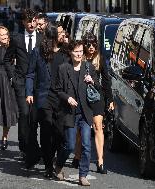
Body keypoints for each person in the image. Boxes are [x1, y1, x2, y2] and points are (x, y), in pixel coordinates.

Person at [26, 24, 69, 178]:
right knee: (45, 131)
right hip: (44, 97)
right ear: (52, 37)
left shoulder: (66, 53)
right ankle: (48, 166)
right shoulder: (38, 53)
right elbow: (30, 73)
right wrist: (29, 92)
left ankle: (54, 158)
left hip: (61, 98)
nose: (63, 34)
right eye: (61, 33)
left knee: (59, 132)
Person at [54, 40, 100, 186]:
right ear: (70, 53)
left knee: (86, 145)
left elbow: (98, 87)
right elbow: (57, 90)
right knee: (69, 145)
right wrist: (67, 98)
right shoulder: (63, 68)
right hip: (69, 113)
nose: (79, 54)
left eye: (81, 51)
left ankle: (83, 175)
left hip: (85, 113)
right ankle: (59, 165)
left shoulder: (89, 67)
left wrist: (92, 81)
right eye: (76, 51)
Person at [4, 8, 43, 168]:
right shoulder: (17, 39)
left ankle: (31, 147)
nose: (32, 24)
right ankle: (25, 146)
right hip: (20, 82)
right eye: (29, 21)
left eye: (34, 21)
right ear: (23, 22)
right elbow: (7, 59)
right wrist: (13, 76)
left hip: (37, 84)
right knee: (24, 114)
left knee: (34, 117)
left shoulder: (42, 39)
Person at [72, 32, 114, 174]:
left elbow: (107, 81)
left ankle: (100, 162)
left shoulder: (99, 58)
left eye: (94, 44)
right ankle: (77, 156)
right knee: (80, 128)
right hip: (81, 97)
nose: (91, 47)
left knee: (98, 127)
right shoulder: (79, 57)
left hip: (96, 97)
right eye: (88, 44)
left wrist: (110, 99)